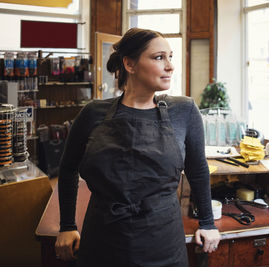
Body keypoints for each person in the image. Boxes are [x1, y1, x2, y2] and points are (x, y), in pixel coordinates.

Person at [55, 27, 220, 266]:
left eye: (170, 57)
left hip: (162, 241)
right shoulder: (93, 114)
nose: (170, 66)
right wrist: (67, 226)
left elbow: (197, 169)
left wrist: (207, 222)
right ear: (130, 65)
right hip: (103, 239)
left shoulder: (184, 111)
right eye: (159, 57)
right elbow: (68, 168)